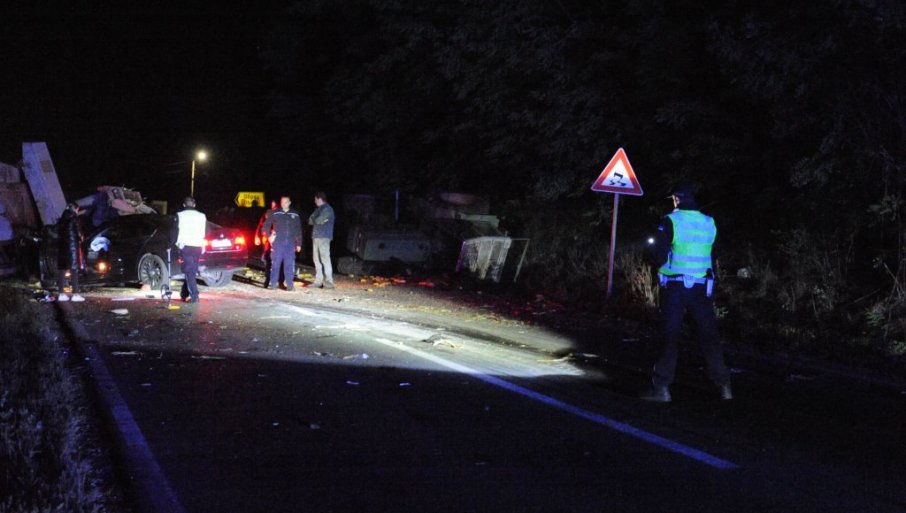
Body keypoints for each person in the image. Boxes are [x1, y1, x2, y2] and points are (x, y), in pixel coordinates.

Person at [641, 183, 732, 403]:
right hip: (701, 288)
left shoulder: (671, 221)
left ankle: (662, 389)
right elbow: (715, 252)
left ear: (677, 200)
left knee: (670, 336)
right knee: (709, 335)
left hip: (675, 287)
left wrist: (656, 262)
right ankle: (725, 386)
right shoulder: (709, 223)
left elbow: (658, 254)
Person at [263, 196, 302, 291]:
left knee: (289, 265)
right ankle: (273, 284)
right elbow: (265, 226)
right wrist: (269, 237)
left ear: (289, 203)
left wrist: (299, 243)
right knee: (276, 264)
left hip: (290, 244)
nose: (283, 204)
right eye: (282, 202)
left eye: (285, 202)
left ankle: (289, 285)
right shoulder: (276, 213)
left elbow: (298, 230)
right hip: (278, 244)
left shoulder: (295, 215)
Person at [173, 197, 207, 303]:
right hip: (198, 246)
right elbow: (205, 230)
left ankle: (194, 295)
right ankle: (185, 293)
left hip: (185, 246)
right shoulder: (202, 216)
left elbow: (174, 231)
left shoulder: (180, 215)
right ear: (194, 204)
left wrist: (173, 244)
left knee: (189, 271)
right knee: (191, 270)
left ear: (184, 205)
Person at [56, 203, 85, 302]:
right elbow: (79, 234)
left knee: (62, 271)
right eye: (78, 209)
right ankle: (75, 294)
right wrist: (81, 238)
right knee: (74, 270)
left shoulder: (61, 220)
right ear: (75, 209)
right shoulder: (74, 219)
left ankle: (61, 294)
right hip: (72, 248)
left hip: (62, 248)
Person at [308, 191, 335, 289]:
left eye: (315, 199)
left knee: (325, 259)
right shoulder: (318, 209)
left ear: (319, 199)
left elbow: (317, 220)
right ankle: (318, 281)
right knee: (316, 259)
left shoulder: (327, 209)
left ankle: (329, 281)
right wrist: (316, 219)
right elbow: (310, 220)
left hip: (324, 237)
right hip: (316, 236)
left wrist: (315, 219)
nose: (314, 201)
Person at [256, 200, 278, 288]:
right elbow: (261, 226)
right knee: (267, 261)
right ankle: (268, 280)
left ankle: (273, 281)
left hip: (276, 242)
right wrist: (257, 236)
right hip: (268, 243)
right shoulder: (268, 214)